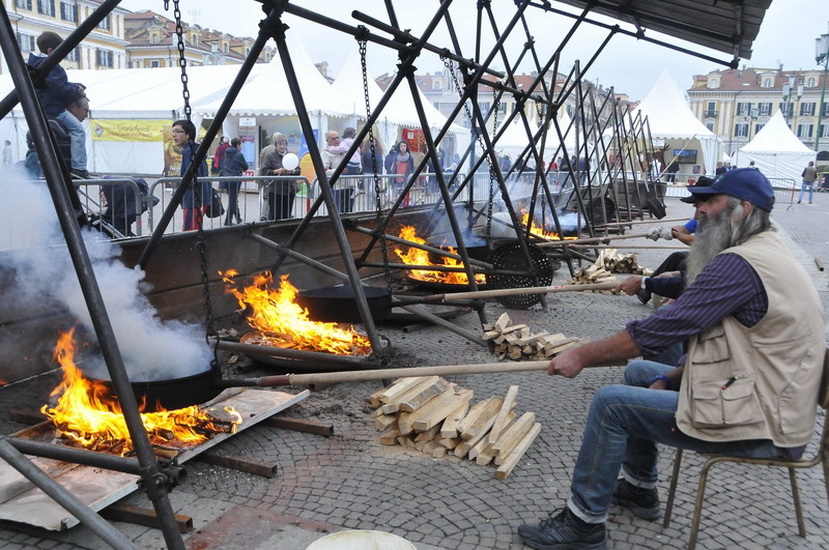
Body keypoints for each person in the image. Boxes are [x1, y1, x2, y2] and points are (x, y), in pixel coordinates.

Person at [518, 167, 824, 550]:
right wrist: (675, 374)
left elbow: (661, 330)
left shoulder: (743, 263)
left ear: (743, 209)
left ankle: (583, 523)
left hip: (763, 421)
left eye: (710, 203)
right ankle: (640, 488)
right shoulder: (761, 251)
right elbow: (704, 311)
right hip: (764, 396)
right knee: (641, 373)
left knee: (610, 403)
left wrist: (580, 355)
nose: (698, 214)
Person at [26, 32, 89, 179]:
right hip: (54, 108)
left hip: (45, 106)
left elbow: (56, 84)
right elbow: (58, 88)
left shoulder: (36, 64)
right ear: (50, 51)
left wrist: (74, 86)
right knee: (78, 130)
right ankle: (79, 167)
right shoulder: (51, 66)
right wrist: (74, 90)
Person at [171, 119, 212, 231]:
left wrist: (180, 183)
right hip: (199, 198)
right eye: (173, 132)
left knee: (189, 232)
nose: (174, 135)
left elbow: (192, 177)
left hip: (193, 199)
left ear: (188, 134)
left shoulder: (189, 151)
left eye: (178, 131)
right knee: (194, 230)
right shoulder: (196, 150)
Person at [260, 132, 300, 220]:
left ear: (286, 145)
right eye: (279, 144)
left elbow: (298, 171)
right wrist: (275, 171)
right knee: (274, 214)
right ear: (276, 145)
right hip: (275, 190)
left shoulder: (291, 156)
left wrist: (292, 171)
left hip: (289, 190)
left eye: (283, 144)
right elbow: (264, 171)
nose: (282, 146)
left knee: (286, 215)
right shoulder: (270, 156)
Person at [219, 138, 249, 225]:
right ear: (238, 145)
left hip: (226, 178)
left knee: (233, 199)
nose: (242, 146)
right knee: (232, 200)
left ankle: (238, 218)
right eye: (241, 145)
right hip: (235, 179)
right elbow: (245, 167)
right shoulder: (238, 154)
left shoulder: (227, 153)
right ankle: (228, 220)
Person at [384, 140, 415, 206]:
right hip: (396, 179)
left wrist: (411, 179)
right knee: (396, 197)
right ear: (399, 147)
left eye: (404, 146)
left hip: (405, 179)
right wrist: (391, 178)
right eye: (401, 146)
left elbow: (412, 169)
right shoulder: (396, 157)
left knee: (404, 195)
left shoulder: (410, 157)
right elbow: (394, 168)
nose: (403, 147)